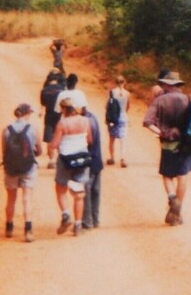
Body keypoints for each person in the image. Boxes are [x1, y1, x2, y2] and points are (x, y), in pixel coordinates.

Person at [143, 71, 191, 226]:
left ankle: (172, 198)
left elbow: (147, 121)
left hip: (168, 143)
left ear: (167, 85)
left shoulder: (160, 100)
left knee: (167, 175)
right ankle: (177, 212)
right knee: (182, 176)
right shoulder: (187, 99)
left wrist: (161, 133)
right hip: (186, 142)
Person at [51, 96, 92, 237]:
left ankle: (66, 214)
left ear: (63, 109)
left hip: (65, 159)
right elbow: (90, 139)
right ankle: (78, 224)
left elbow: (55, 144)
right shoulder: (85, 121)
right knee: (79, 193)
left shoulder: (62, 123)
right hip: (82, 158)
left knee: (61, 188)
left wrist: (51, 148)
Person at [2, 103, 42, 243]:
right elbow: (39, 150)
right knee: (27, 198)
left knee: (11, 199)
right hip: (28, 167)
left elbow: (4, 151)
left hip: (11, 167)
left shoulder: (6, 130)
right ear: (27, 113)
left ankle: (9, 227)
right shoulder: (33, 129)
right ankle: (28, 229)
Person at [81, 99, 104, 231]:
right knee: (95, 190)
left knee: (86, 190)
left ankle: (87, 220)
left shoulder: (85, 121)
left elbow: (88, 142)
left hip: (89, 160)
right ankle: (95, 219)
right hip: (97, 159)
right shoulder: (93, 117)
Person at [39, 72, 65, 169]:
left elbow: (43, 104)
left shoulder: (44, 90)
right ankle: (61, 159)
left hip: (49, 115)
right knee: (60, 136)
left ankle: (51, 160)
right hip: (60, 115)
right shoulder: (62, 89)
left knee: (49, 138)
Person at [107, 75, 131, 167]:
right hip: (123, 117)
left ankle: (112, 158)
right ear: (124, 82)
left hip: (113, 118)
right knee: (123, 140)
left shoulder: (112, 92)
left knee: (111, 139)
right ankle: (123, 159)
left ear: (115, 82)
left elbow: (107, 106)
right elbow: (128, 106)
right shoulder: (127, 93)